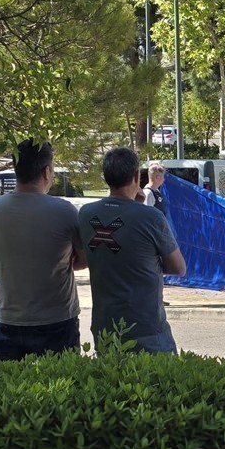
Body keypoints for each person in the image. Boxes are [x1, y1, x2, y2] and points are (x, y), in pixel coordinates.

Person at [0, 140, 86, 362]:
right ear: (47, 171)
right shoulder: (64, 211)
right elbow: (83, 260)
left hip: (9, 321)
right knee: (60, 392)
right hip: (57, 322)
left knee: (11, 393)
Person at [79, 147, 187, 354]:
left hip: (104, 325)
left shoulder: (86, 214)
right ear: (137, 176)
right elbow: (178, 267)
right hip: (146, 326)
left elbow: (93, 256)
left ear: (105, 176)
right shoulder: (150, 217)